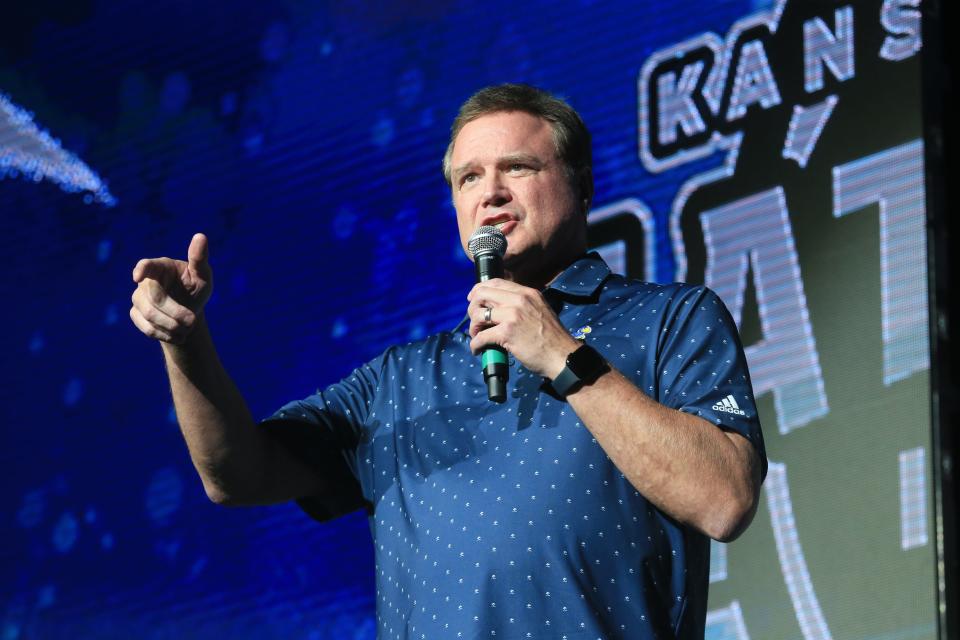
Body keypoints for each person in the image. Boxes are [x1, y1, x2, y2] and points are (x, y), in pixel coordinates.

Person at [130, 83, 766, 639]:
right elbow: (236, 475)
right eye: (468, 178)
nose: (489, 192)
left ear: (581, 185)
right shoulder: (399, 379)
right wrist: (186, 344)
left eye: (516, 168)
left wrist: (562, 357)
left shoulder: (669, 320)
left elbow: (724, 499)